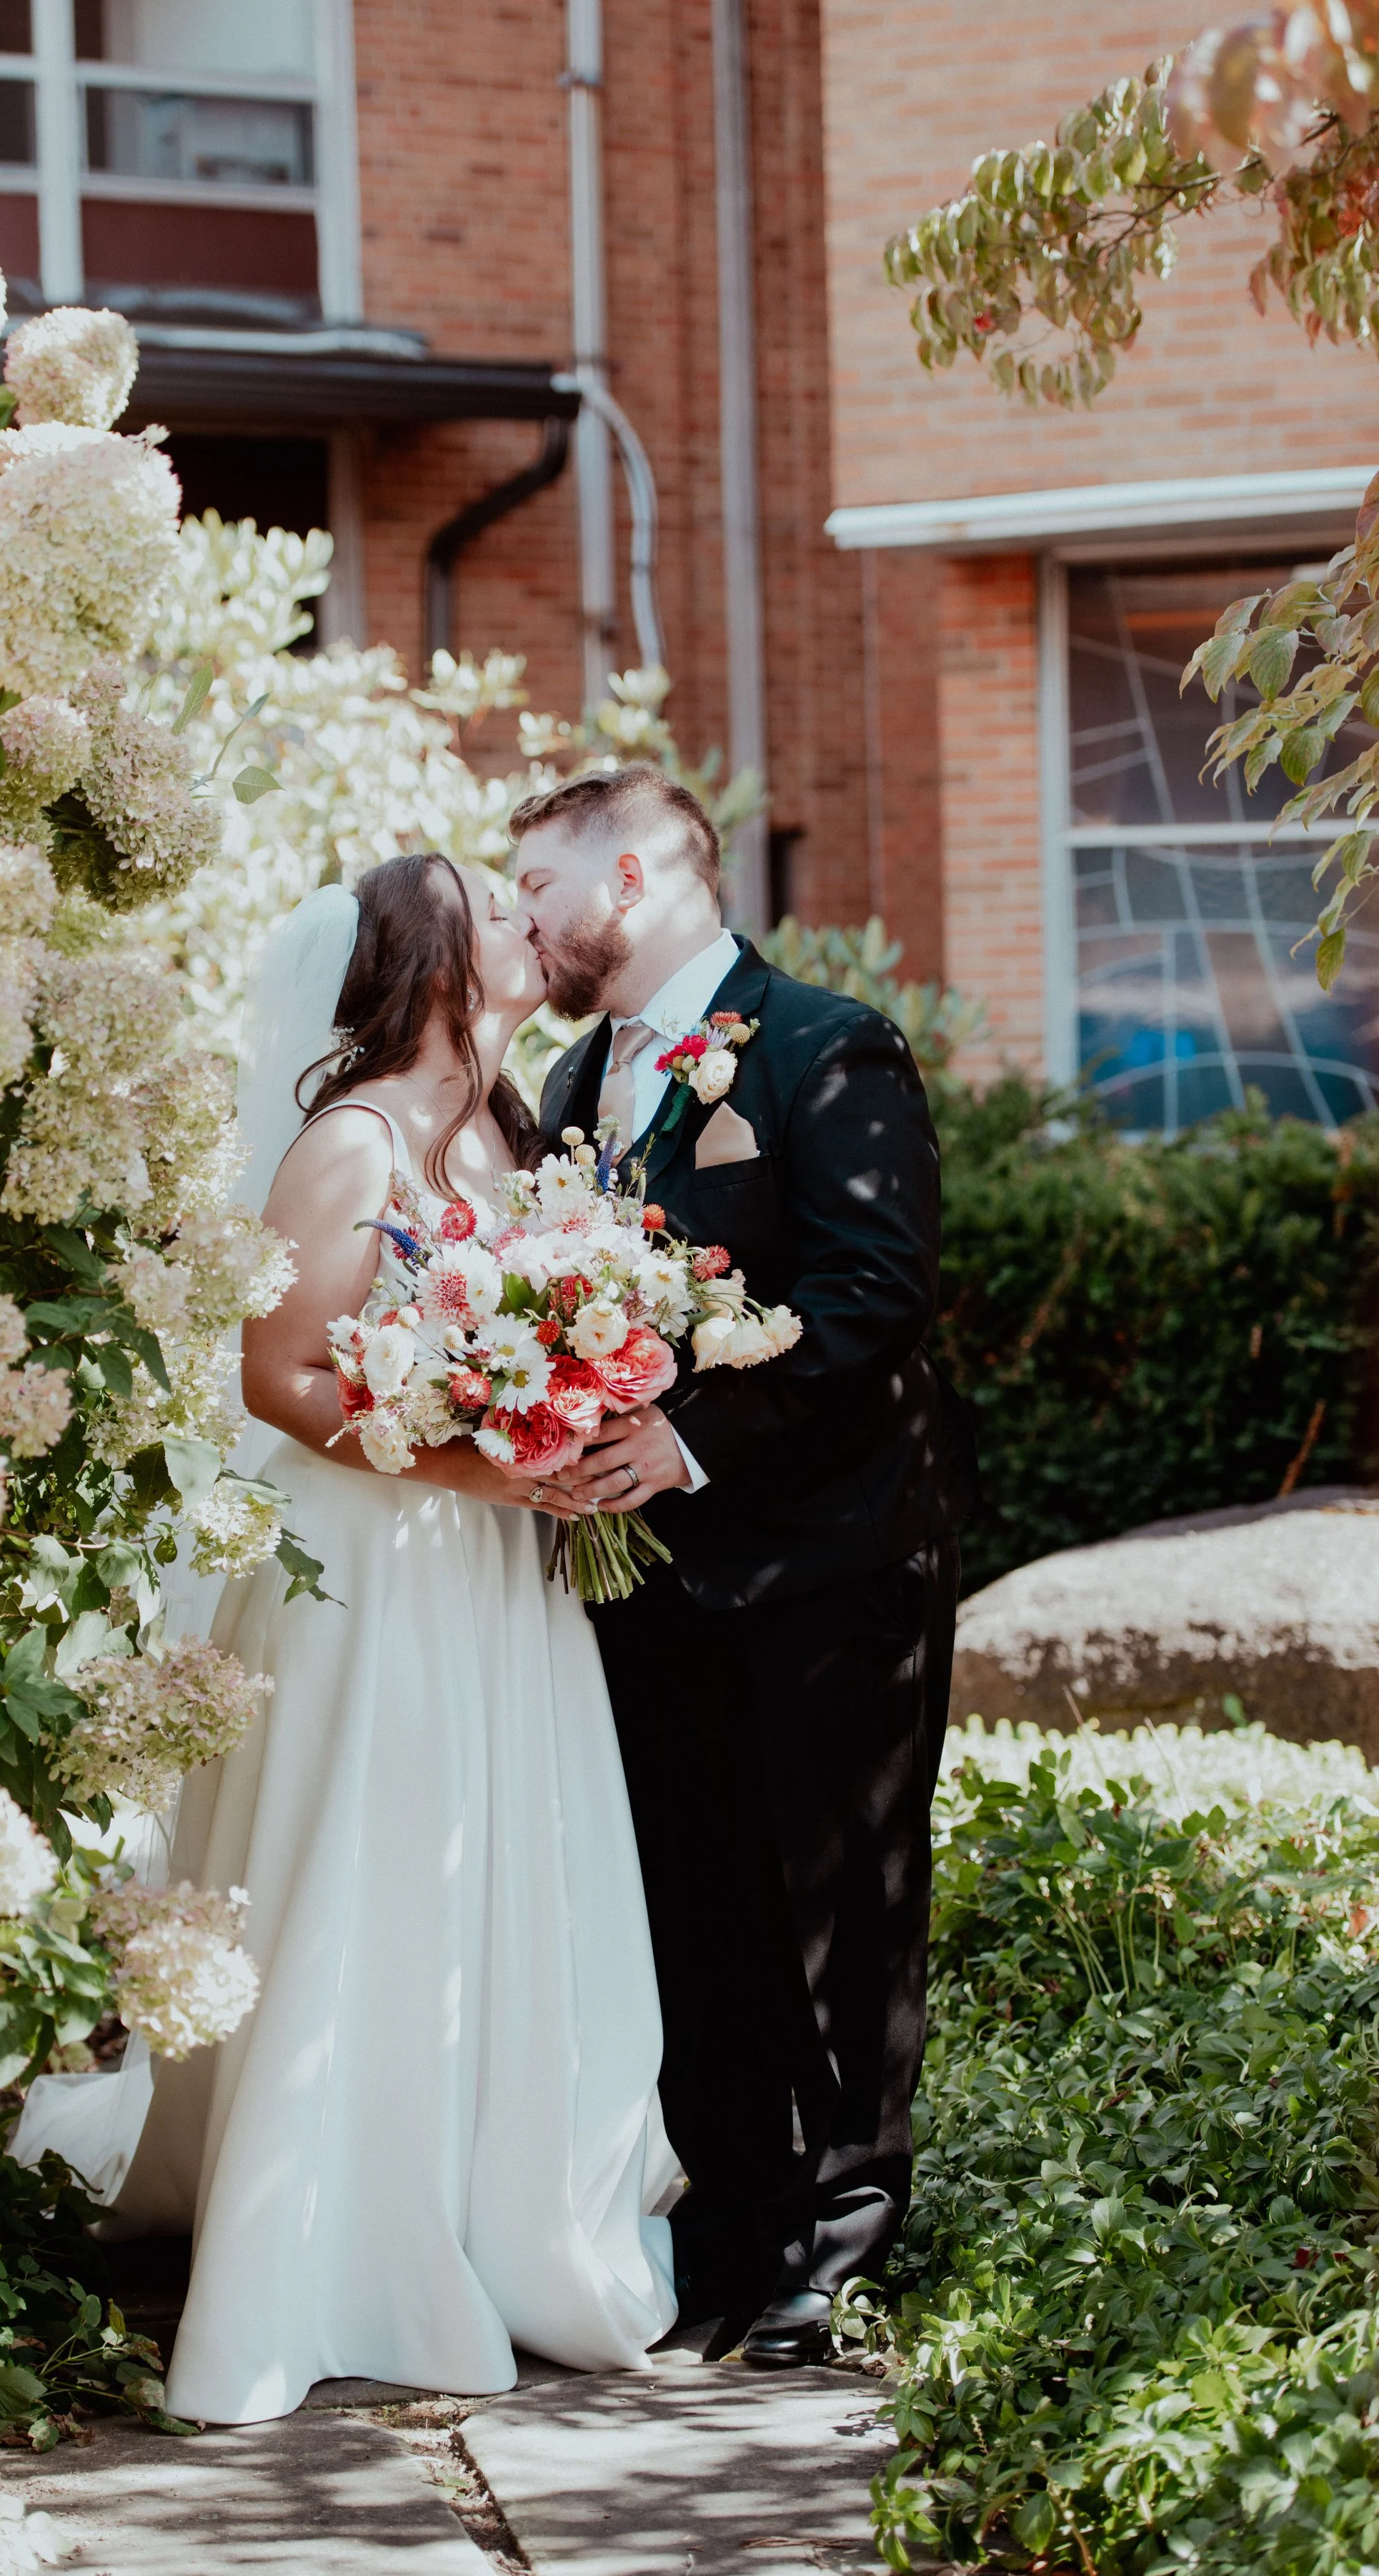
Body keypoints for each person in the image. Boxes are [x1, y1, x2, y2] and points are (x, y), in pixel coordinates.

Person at [106, 854, 678, 2425]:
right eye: (495, 906)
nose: (525, 917)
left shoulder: (498, 1137)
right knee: (375, 1862)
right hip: (378, 1562)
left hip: (493, 1561)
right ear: (431, 965)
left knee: (496, 1863)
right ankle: (337, 2230)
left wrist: (573, 1403)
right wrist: (468, 1460)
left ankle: (496, 2205)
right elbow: (277, 1375)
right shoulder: (348, 1146)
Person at [512, 765, 977, 2371]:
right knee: (687, 1904)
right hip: (643, 1579)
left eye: (539, 892)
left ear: (632, 881)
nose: (525, 925)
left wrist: (691, 1442)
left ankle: (837, 2244)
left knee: (832, 1907)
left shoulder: (820, 1047)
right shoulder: (574, 1089)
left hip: (826, 1563)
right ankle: (727, 2230)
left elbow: (873, 1294)